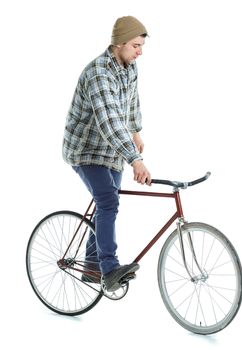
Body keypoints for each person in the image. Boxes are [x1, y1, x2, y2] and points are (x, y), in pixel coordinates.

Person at [62, 16, 151, 292]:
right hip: (86, 150)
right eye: (136, 45)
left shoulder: (129, 66)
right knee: (108, 201)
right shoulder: (98, 73)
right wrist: (135, 159)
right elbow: (110, 120)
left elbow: (131, 101)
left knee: (107, 205)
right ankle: (109, 269)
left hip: (110, 151)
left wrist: (135, 130)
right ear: (119, 43)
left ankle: (91, 266)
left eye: (141, 46)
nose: (140, 51)